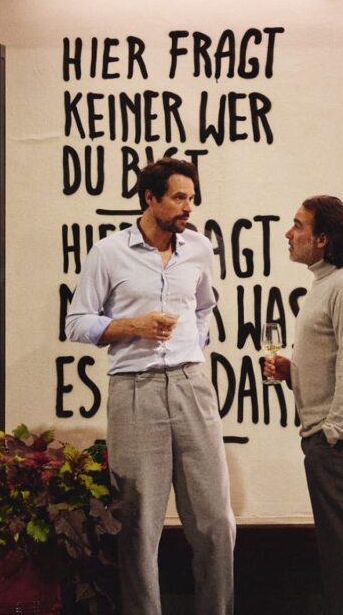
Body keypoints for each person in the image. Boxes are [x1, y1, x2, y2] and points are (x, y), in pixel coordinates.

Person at [64, 157, 235, 615]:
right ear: (150, 199)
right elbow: (76, 323)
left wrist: (191, 347)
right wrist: (133, 326)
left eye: (192, 199)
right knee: (139, 528)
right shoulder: (108, 252)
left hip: (191, 385)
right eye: (179, 198)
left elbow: (204, 308)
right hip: (134, 390)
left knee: (217, 522)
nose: (188, 208)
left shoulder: (199, 249)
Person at [262, 196, 343, 615]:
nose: (288, 232)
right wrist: (292, 371)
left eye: (297, 225)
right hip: (332, 438)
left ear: (321, 239)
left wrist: (335, 435)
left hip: (340, 441)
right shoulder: (327, 283)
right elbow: (334, 362)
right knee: (342, 548)